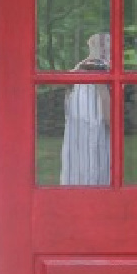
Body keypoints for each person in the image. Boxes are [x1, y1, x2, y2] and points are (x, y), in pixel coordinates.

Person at [60, 32, 111, 185]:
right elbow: (68, 112)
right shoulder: (78, 71)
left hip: (96, 146)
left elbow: (111, 121)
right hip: (77, 145)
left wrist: (101, 85)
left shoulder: (108, 73)